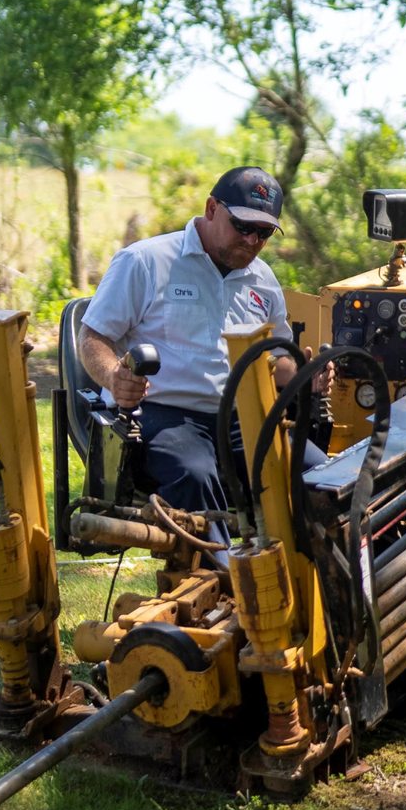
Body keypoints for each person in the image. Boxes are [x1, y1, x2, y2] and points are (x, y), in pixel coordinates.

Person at [79, 165, 332, 550]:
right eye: (242, 226)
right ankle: (222, 579)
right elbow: (93, 336)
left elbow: (274, 359)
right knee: (194, 475)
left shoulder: (262, 279)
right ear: (212, 208)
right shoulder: (146, 261)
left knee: (319, 473)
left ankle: (315, 579)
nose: (251, 240)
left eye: (264, 233)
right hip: (162, 412)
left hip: (239, 414)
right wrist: (115, 376)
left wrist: (302, 376)